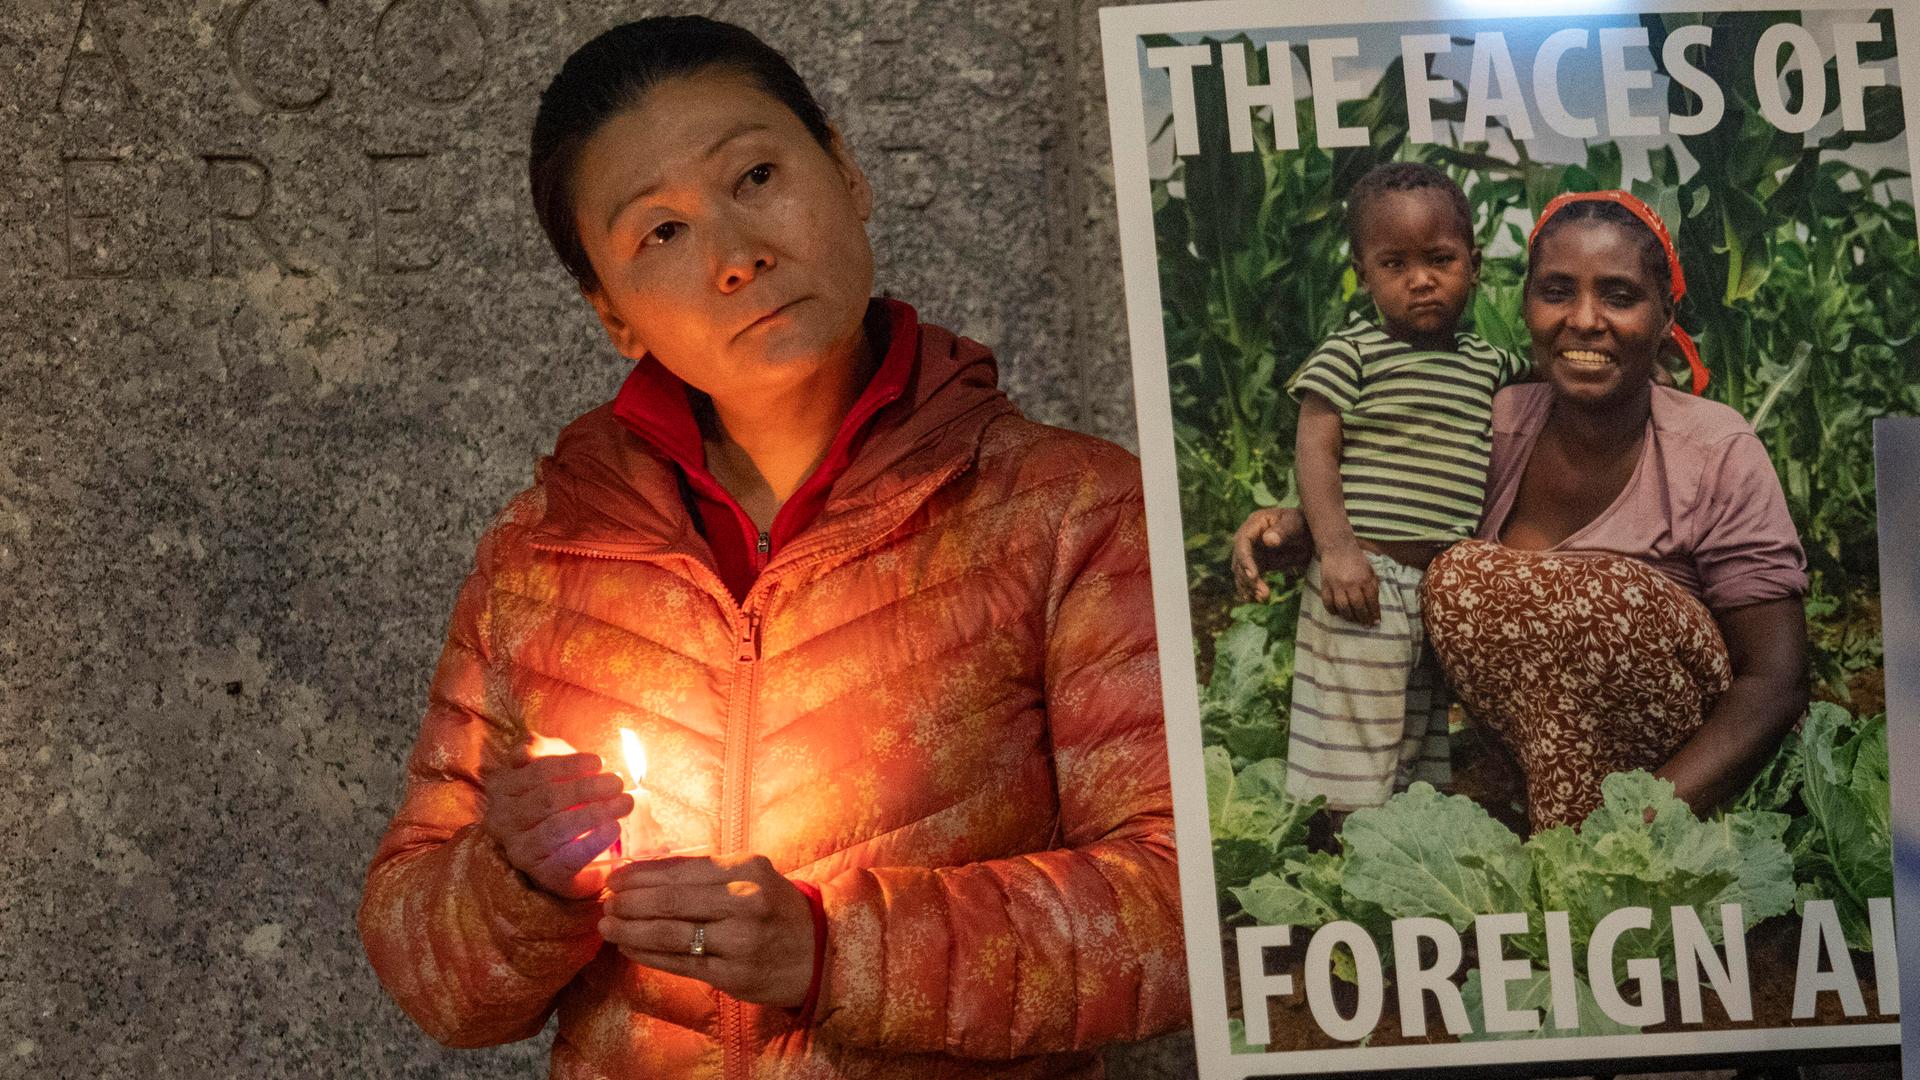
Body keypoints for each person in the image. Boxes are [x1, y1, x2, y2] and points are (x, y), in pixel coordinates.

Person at [356, 16, 1187, 1079]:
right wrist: (516, 878)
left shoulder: (1070, 511)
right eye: (660, 233)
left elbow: (1179, 917)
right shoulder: (545, 559)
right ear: (613, 315)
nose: (737, 256)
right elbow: (429, 974)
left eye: (756, 175)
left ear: (844, 170)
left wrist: (836, 950)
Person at [1234, 189, 1809, 832]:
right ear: (1527, 305)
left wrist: (1635, 826)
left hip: (1683, 788)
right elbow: (1402, 500)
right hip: (1530, 760)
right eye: (1557, 291)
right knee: (1458, 578)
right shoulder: (1491, 423)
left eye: (1619, 296)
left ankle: (1577, 835)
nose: (1585, 319)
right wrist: (1310, 527)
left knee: (1540, 587)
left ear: (1664, 312)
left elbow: (1775, 680)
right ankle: (1544, 819)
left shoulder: (1715, 450)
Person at [1280, 162, 1527, 813]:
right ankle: (1335, 851)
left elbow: (1555, 390)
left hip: (1437, 586)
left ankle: (1403, 847)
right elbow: (1315, 447)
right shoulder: (1351, 354)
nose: (1421, 280)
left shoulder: (1488, 362)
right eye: (1395, 264)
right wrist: (1336, 551)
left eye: (1440, 259)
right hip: (1367, 573)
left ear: (1473, 264)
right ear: (1363, 274)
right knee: (1351, 729)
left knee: (1418, 732)